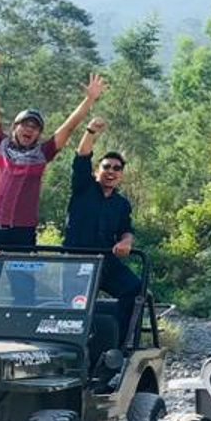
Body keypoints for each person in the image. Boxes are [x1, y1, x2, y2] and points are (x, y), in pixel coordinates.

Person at [0, 49, 105, 248]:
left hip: (22, 232)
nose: (29, 129)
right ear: (14, 127)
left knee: (23, 280)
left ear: (39, 133)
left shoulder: (43, 153)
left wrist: (89, 100)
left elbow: (68, 127)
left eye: (35, 127)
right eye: (25, 124)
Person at [61, 118, 141, 366]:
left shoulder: (122, 203)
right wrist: (91, 132)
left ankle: (118, 346)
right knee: (76, 308)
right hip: (77, 261)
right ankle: (73, 352)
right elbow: (82, 156)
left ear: (121, 175)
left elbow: (126, 230)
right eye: (106, 166)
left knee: (135, 288)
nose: (111, 171)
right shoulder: (83, 188)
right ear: (98, 169)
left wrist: (126, 242)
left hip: (106, 261)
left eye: (117, 168)